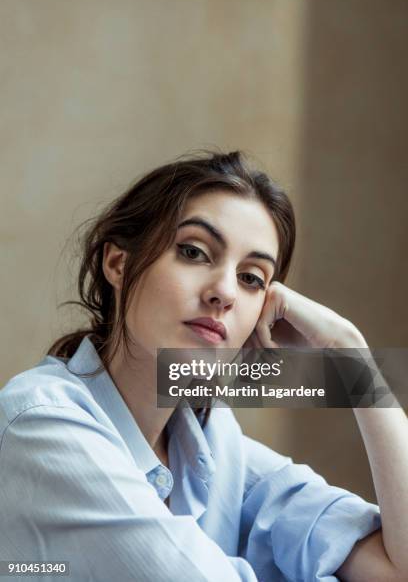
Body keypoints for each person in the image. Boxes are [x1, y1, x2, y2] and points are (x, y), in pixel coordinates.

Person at [0, 150, 407, 581]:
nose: (224, 292)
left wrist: (351, 354)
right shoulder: (41, 424)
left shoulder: (212, 445)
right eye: (194, 252)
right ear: (118, 263)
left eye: (252, 277)